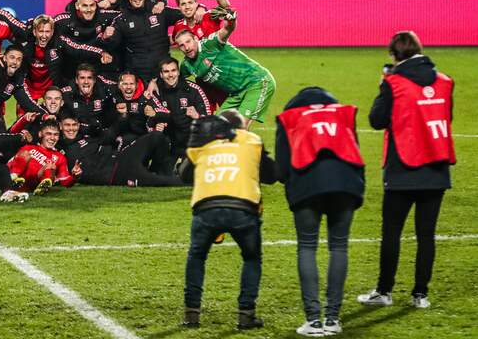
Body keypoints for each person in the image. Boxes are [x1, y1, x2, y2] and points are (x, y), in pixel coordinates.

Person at [358, 31, 455, 310]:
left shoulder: (394, 83)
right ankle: (420, 295)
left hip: (404, 166)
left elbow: (376, 121)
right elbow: (446, 116)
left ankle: (384, 291)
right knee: (427, 234)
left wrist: (383, 86)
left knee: (392, 232)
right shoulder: (445, 82)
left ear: (394, 55)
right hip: (436, 167)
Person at [275, 87, 366, 337]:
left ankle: (314, 321)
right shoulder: (342, 113)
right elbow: (355, 153)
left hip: (307, 186)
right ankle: (333, 319)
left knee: (307, 246)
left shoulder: (290, 117)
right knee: (339, 247)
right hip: (345, 186)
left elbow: (282, 170)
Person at [182, 113, 277, 330]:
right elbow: (273, 175)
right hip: (243, 208)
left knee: (196, 257)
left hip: (206, 208)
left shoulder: (206, 143)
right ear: (242, 127)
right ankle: (246, 314)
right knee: (252, 258)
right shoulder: (251, 141)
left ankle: (191, 314)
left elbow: (184, 174)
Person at [175, 17, 276, 129]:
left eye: (188, 41)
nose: (187, 47)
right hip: (236, 93)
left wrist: (231, 20)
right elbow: (175, 79)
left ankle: (250, 146)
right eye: (182, 45)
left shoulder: (210, 44)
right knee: (218, 126)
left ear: (195, 38)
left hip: (257, 82)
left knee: (240, 128)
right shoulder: (186, 65)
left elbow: (227, 29)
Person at [58, 114, 179, 187]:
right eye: (67, 125)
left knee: (156, 136)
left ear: (78, 126)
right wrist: (75, 176)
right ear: (60, 126)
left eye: (74, 125)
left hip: (123, 157)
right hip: (117, 174)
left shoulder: (86, 137)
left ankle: (161, 171)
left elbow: (109, 135)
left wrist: (122, 118)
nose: (71, 129)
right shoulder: (61, 150)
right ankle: (187, 181)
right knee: (162, 182)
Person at [167, 0, 229, 109]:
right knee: (205, 117)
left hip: (222, 77)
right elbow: (173, 40)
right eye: (183, 4)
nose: (187, 6)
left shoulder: (208, 16)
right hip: (202, 80)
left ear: (196, 3)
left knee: (231, 116)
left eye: (190, 2)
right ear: (179, 7)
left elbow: (226, 6)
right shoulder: (179, 26)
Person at [107, 0, 175, 82]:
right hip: (138, 75)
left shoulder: (159, 10)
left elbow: (186, 15)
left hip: (163, 72)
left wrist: (200, 8)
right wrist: (105, 37)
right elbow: (111, 43)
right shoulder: (121, 18)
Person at [151, 58, 210, 159]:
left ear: (178, 72)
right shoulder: (155, 92)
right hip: (168, 144)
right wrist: (155, 128)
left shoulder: (194, 90)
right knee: (161, 172)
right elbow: (149, 120)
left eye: (173, 70)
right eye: (166, 71)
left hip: (191, 143)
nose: (170, 75)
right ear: (160, 75)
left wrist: (197, 116)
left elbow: (208, 121)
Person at [8, 120, 73, 196]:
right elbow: (9, 164)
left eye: (56, 135)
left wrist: (75, 177)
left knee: (51, 166)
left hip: (33, 183)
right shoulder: (28, 147)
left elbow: (65, 181)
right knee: (25, 154)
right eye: (48, 134)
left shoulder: (60, 157)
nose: (52, 138)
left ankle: (41, 189)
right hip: (18, 177)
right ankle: (12, 180)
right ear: (40, 134)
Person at [61, 63, 116, 138]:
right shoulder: (67, 95)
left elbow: (111, 118)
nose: (86, 82)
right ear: (77, 80)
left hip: (98, 135)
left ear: (94, 80)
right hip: (76, 135)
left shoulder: (104, 94)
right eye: (82, 78)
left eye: (89, 78)